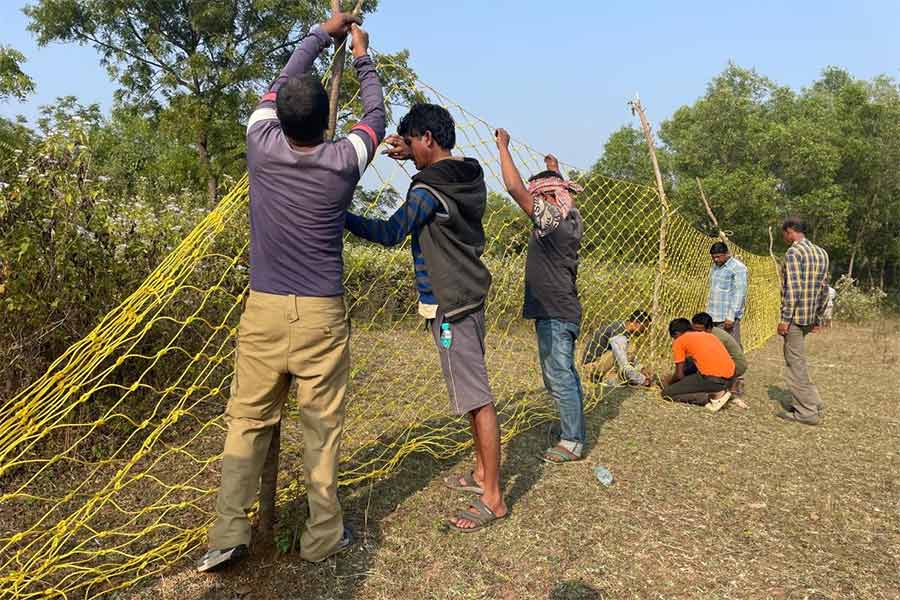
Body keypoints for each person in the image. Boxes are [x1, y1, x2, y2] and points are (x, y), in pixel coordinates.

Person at [196, 14, 386, 573]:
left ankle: (229, 532)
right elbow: (374, 115)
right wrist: (361, 54)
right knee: (322, 431)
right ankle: (322, 535)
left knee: (247, 421)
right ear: (323, 125)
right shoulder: (343, 161)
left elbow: (283, 76)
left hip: (264, 309)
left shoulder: (260, 144)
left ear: (277, 116)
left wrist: (322, 32)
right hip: (323, 315)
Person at [344, 103, 507, 532]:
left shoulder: (426, 193)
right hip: (472, 292)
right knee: (474, 395)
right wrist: (409, 155)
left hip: (452, 305)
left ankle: (493, 496)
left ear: (428, 139)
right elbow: (437, 180)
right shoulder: (469, 175)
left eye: (414, 143)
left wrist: (336, 215)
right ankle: (479, 472)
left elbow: (390, 231)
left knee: (477, 399)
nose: (410, 152)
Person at [494, 128, 586, 464]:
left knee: (559, 376)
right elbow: (559, 190)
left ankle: (572, 440)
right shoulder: (569, 216)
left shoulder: (553, 223)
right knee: (564, 374)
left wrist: (503, 148)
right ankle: (571, 428)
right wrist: (554, 167)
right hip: (562, 310)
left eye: (539, 194)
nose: (533, 201)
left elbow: (514, 188)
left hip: (556, 312)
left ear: (547, 198)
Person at [777, 217, 829, 425]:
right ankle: (813, 401)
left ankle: (806, 412)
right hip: (810, 317)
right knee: (799, 361)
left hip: (796, 318)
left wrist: (784, 319)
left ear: (791, 231)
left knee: (794, 364)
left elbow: (794, 289)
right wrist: (818, 317)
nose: (784, 238)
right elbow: (825, 289)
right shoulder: (821, 252)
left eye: (784, 233)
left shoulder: (794, 252)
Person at [660, 318, 735, 412]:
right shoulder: (708, 335)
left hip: (714, 380)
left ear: (676, 333)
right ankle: (721, 392)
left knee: (667, 393)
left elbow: (679, 375)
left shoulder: (679, 341)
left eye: (673, 337)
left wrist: (669, 384)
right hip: (730, 379)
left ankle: (713, 396)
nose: (674, 340)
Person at [691, 312, 748, 409]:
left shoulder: (715, 337)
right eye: (694, 330)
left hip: (737, 365)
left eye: (700, 330)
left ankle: (720, 394)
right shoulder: (708, 333)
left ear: (709, 329)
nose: (696, 333)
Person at [581, 311, 653, 386]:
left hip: (600, 364)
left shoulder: (621, 328)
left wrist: (642, 369)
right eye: (644, 326)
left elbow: (631, 358)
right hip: (591, 368)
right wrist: (643, 380)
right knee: (629, 350)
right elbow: (624, 365)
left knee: (630, 349)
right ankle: (608, 378)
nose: (645, 330)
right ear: (636, 323)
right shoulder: (619, 334)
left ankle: (615, 378)